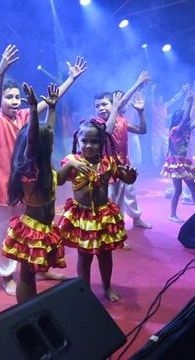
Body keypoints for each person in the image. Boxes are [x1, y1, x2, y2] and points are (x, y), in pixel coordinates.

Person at [0, 44, 86, 295]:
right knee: (5, 233)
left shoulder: (23, 117)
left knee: (35, 227)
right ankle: (7, 274)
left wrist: (71, 79)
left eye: (15, 96)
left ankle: (39, 267)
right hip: (5, 185)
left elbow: (50, 103)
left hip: (33, 184)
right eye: (7, 97)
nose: (12, 101)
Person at [57, 118, 137, 302]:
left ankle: (107, 287)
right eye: (85, 141)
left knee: (105, 254)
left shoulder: (107, 162)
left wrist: (130, 175)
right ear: (77, 140)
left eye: (94, 142)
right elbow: (59, 180)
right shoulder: (72, 160)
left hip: (103, 216)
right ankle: (83, 289)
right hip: (81, 216)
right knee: (84, 256)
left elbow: (126, 178)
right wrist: (71, 165)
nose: (89, 145)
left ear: (102, 143)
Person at [2, 83, 66, 303]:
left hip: (45, 227)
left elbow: (47, 132)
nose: (50, 143)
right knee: (27, 276)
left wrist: (53, 108)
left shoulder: (44, 163)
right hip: (32, 230)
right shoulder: (31, 168)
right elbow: (33, 139)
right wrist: (32, 108)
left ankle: (32, 307)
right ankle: (27, 311)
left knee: (33, 273)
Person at [94, 88, 151, 234]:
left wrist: (141, 111)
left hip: (124, 165)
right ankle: (114, 231)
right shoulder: (96, 123)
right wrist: (138, 83)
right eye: (97, 106)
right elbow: (108, 130)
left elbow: (142, 130)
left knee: (130, 194)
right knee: (113, 200)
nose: (100, 108)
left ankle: (136, 219)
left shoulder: (122, 121)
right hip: (107, 169)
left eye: (104, 104)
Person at [161, 92, 195, 223]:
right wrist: (189, 102)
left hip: (182, 163)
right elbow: (185, 120)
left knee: (179, 190)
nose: (187, 119)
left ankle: (174, 214)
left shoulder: (186, 129)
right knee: (189, 188)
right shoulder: (175, 131)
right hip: (177, 163)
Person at [148, 83, 188, 168]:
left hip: (164, 132)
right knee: (156, 153)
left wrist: (182, 91)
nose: (161, 99)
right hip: (156, 133)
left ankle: (167, 166)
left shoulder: (164, 106)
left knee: (167, 150)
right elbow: (151, 100)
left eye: (161, 98)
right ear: (156, 99)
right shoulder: (153, 107)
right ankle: (156, 168)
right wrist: (152, 92)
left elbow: (174, 99)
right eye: (159, 98)